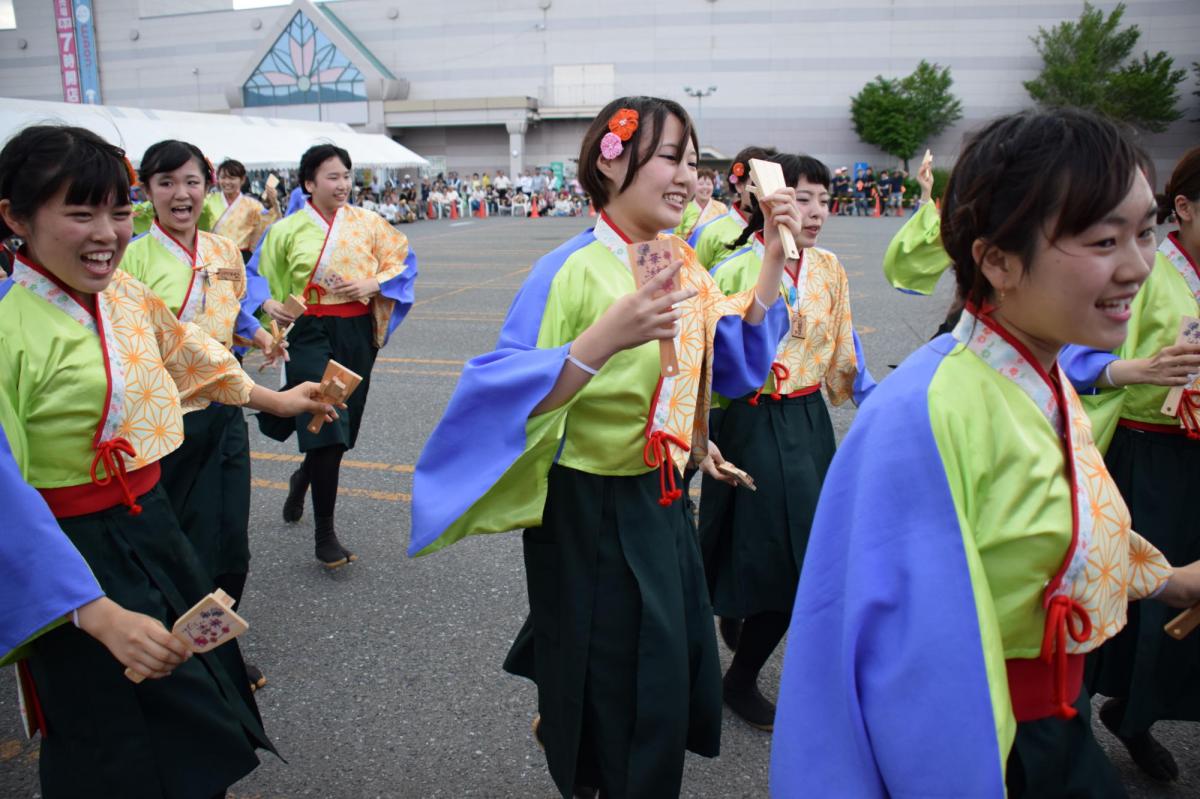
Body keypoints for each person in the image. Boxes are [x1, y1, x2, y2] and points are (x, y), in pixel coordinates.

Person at [770, 109, 1200, 798]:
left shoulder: (1042, 367)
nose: (1139, 266)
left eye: (1146, 231)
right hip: (990, 740)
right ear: (997, 258)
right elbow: (914, 673)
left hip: (1053, 729)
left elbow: (1046, 527)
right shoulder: (923, 411)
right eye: (1103, 238)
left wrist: (1173, 579)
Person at [409, 96, 792, 798]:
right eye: (671, 156)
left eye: (693, 159)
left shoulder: (682, 264)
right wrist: (599, 342)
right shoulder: (568, 270)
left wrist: (768, 264)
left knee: (665, 669)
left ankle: (582, 733)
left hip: (664, 500)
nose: (689, 174)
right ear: (610, 165)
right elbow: (501, 400)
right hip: (591, 508)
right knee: (619, 682)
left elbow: (732, 364)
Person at [0, 124, 337, 798]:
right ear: (14, 217)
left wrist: (273, 398)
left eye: (117, 211)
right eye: (79, 211)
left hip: (150, 522)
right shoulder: (11, 328)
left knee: (197, 694)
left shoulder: (122, 293)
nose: (106, 232)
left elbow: (191, 350)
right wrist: (89, 609)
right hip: (71, 551)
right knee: (106, 731)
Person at [699, 153, 875, 731]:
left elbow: (845, 352)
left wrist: (879, 409)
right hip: (748, 421)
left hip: (805, 424)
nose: (816, 212)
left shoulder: (830, 269)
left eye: (824, 199)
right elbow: (710, 364)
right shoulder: (734, 269)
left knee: (801, 559)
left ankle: (740, 670)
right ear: (767, 197)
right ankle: (737, 643)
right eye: (802, 197)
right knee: (757, 550)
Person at [119, 140, 287, 692]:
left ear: (207, 184)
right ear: (146, 192)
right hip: (161, 424)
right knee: (178, 541)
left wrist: (260, 334)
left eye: (190, 181)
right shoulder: (133, 257)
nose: (180, 194)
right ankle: (182, 653)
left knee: (230, 540)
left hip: (224, 411)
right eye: (165, 183)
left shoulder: (223, 250)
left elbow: (231, 308)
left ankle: (219, 647)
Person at [1057, 144, 1200, 782]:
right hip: (1143, 452)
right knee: (1121, 597)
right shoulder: (1146, 272)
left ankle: (1134, 714)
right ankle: (1082, 721)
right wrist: (1133, 369)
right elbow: (1071, 352)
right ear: (1185, 208)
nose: (1130, 251)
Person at [254, 143, 417, 566]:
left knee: (340, 427)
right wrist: (268, 305)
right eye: (332, 176)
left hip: (355, 332)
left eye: (346, 175)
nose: (342, 183)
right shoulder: (286, 230)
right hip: (309, 330)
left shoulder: (370, 223)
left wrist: (373, 285)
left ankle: (303, 478)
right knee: (326, 415)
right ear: (309, 183)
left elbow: (403, 263)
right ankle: (325, 535)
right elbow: (256, 276)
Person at [689, 145, 777, 269]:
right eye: (759, 182)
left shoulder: (784, 233)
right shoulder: (710, 233)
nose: (767, 190)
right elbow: (695, 278)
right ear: (739, 185)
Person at [201, 159, 280, 263]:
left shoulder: (253, 205)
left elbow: (269, 225)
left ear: (242, 180)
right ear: (218, 179)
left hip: (242, 259)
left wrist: (274, 203)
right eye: (223, 177)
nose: (227, 182)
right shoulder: (207, 202)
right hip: (214, 258)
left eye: (232, 178)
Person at [676, 166, 728, 240]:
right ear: (693, 186)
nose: (705, 187)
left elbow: (726, 234)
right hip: (689, 250)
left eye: (708, 184)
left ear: (713, 187)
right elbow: (678, 236)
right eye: (700, 184)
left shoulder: (722, 208)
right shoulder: (684, 208)